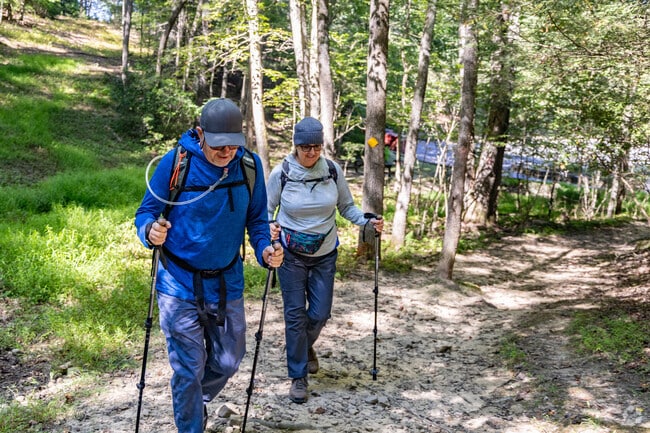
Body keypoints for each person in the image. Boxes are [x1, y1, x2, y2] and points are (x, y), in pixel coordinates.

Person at [134, 98, 284, 433]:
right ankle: (190, 425)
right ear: (201, 134)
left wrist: (265, 250)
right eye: (219, 146)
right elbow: (145, 213)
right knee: (189, 367)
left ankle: (196, 400)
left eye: (233, 145)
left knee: (230, 358)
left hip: (226, 280)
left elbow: (258, 221)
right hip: (178, 284)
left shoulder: (250, 166)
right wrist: (150, 231)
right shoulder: (176, 164)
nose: (227, 152)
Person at [266, 116, 383, 404]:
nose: (311, 152)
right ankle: (298, 377)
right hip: (290, 254)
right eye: (306, 147)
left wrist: (367, 222)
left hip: (325, 254)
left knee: (320, 313)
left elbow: (346, 206)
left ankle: (303, 348)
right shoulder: (281, 173)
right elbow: (266, 211)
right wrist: (269, 227)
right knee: (295, 316)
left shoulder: (331, 170)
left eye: (316, 146)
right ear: (296, 146)